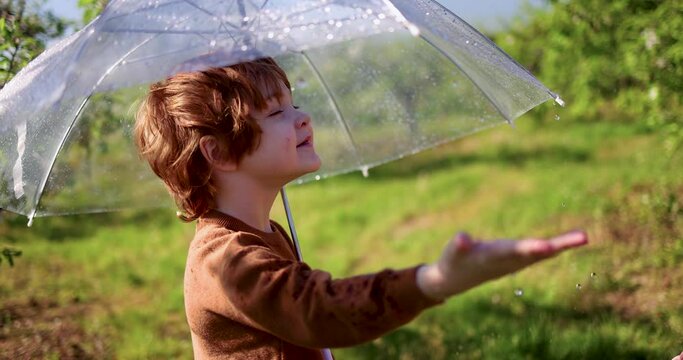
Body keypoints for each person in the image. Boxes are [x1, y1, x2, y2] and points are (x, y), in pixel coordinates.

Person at [134, 57, 588, 359]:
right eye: (275, 114)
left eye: (295, 104)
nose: (302, 118)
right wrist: (436, 280)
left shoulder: (264, 231)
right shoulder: (223, 259)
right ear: (218, 154)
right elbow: (319, 312)